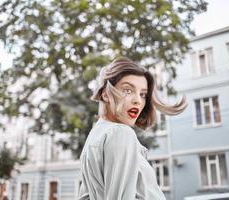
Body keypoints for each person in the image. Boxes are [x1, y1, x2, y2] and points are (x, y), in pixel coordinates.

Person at [78, 57, 187, 200]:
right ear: (105, 93)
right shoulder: (120, 133)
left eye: (143, 94)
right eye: (128, 90)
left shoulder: (95, 135)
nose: (138, 100)